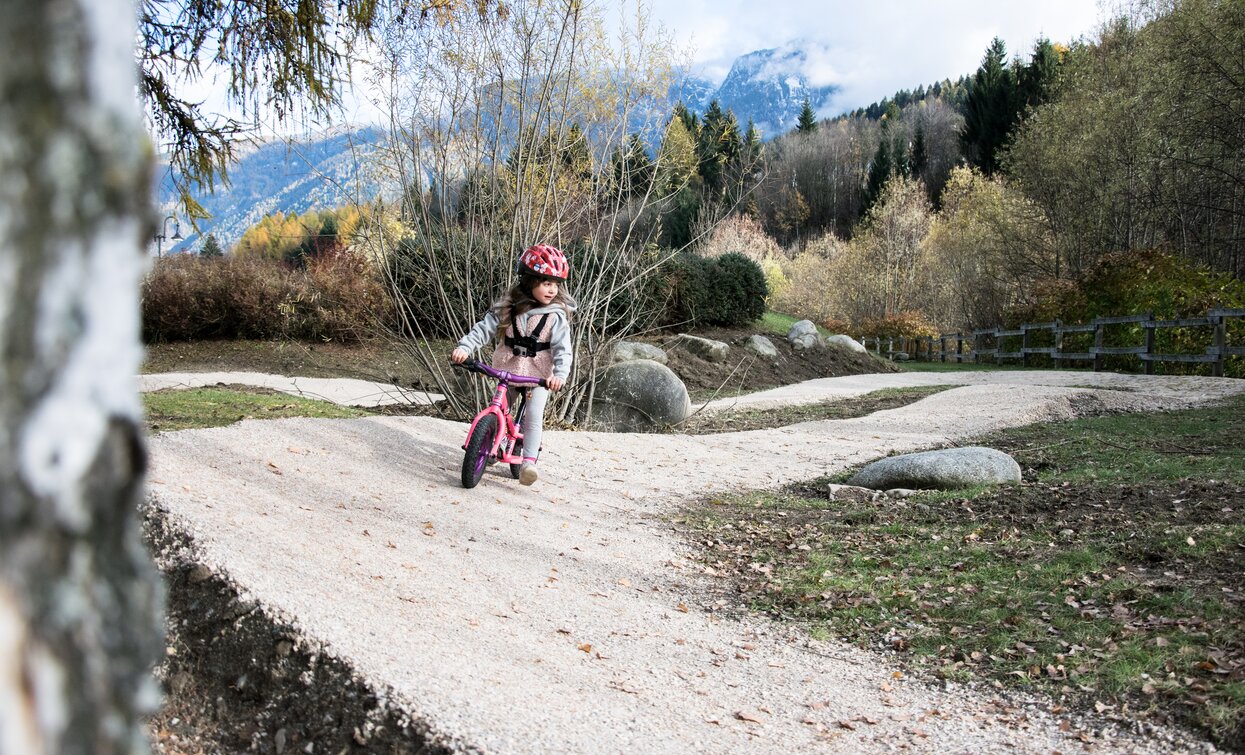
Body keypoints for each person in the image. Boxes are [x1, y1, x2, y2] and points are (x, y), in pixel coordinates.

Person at [450, 244, 574, 486]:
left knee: (533, 417)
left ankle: (528, 462)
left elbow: (563, 350)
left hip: (538, 377)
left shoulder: (556, 316)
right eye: (545, 282)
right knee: (497, 410)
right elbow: (483, 329)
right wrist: (464, 348)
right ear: (528, 282)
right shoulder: (509, 308)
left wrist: (559, 374)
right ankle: (489, 443)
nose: (551, 289)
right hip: (508, 371)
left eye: (555, 284)